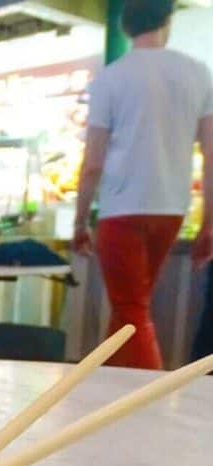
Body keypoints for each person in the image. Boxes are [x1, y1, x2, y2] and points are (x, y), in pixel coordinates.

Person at [74, 0, 213, 369]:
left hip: (121, 210)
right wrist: (209, 223)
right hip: (171, 210)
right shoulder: (198, 73)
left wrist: (79, 220)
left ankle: (153, 408)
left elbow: (93, 164)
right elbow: (211, 156)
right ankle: (102, 392)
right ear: (168, 20)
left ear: (126, 27)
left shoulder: (111, 78)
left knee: (131, 311)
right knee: (129, 309)